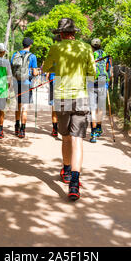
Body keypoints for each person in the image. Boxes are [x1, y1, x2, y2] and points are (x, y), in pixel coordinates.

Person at [43, 18, 96, 201]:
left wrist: (58, 66)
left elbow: (45, 68)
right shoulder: (86, 48)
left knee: (65, 137)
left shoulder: (56, 48)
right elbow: (92, 73)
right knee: (77, 140)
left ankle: (66, 170)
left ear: (60, 34)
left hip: (62, 96)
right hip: (81, 97)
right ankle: (74, 183)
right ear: (74, 33)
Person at [11, 37, 39, 139]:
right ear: (30, 45)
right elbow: (35, 72)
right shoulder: (32, 56)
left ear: (22, 44)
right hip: (26, 83)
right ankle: (22, 130)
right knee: (25, 107)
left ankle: (16, 126)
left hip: (16, 82)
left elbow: (12, 69)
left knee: (18, 105)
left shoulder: (15, 54)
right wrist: (36, 74)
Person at [88, 38, 113, 143]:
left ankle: (93, 133)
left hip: (91, 81)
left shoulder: (90, 55)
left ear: (92, 46)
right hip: (103, 80)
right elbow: (109, 71)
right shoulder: (106, 55)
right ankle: (99, 127)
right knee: (101, 106)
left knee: (92, 108)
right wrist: (108, 82)